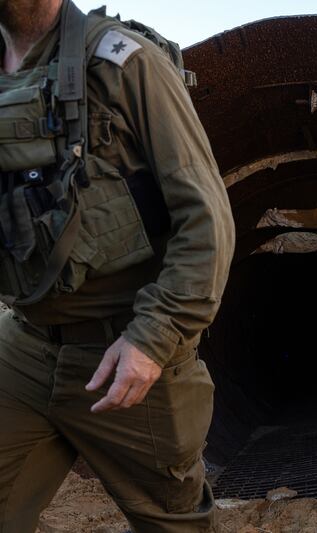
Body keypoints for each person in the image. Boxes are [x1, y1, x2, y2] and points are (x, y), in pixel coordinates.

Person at [0, 1, 235, 531]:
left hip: (124, 354)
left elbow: (208, 221)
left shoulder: (125, 64)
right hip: (25, 345)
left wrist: (153, 337)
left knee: (174, 523)